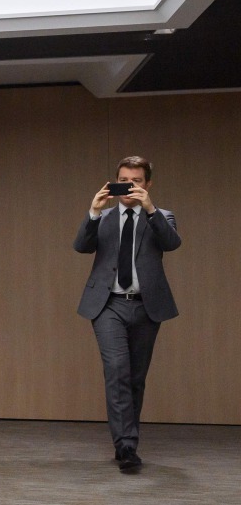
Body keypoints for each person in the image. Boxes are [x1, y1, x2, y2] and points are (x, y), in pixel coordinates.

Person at [74, 156, 181, 472]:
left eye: (136, 181)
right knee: (117, 370)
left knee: (135, 378)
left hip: (147, 306)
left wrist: (150, 209)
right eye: (124, 179)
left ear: (147, 184)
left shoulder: (162, 216)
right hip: (108, 305)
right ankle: (126, 447)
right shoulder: (103, 217)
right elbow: (81, 245)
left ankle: (127, 442)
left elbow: (171, 243)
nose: (129, 186)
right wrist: (93, 212)